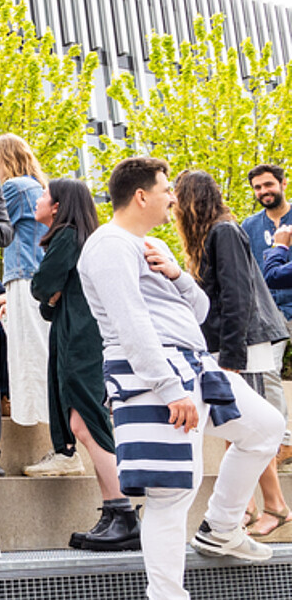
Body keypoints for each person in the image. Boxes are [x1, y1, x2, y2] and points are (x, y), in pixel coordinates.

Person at [79, 157, 281, 599]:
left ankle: (222, 528)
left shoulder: (152, 246)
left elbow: (200, 313)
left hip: (194, 366)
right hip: (152, 375)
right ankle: (166, 595)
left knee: (266, 428)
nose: (173, 196)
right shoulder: (109, 244)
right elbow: (130, 324)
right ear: (141, 195)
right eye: (166, 189)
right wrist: (169, 388)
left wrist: (177, 276)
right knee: (170, 493)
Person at [173, 169, 290, 540]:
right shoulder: (215, 233)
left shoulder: (224, 231)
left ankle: (273, 506)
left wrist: (231, 359)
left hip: (244, 343)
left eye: (177, 196)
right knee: (234, 426)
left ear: (192, 198)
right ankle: (249, 508)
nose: (173, 205)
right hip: (231, 343)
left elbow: (239, 296)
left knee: (247, 427)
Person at [30, 178, 140, 550]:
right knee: (81, 423)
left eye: (45, 195)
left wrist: (48, 293)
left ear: (59, 205)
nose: (39, 200)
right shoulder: (83, 238)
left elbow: (42, 287)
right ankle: (114, 509)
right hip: (76, 336)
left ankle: (122, 512)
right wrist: (51, 297)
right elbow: (50, 303)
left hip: (80, 342)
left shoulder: (68, 237)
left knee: (90, 422)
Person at [0, 134, 52, 440]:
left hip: (23, 275)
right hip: (34, 273)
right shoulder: (36, 186)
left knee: (29, 351)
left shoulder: (14, 187)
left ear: (2, 158)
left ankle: (44, 423)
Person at [241, 163, 292, 468]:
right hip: (267, 314)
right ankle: (284, 441)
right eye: (258, 187)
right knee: (268, 372)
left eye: (268, 185)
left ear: (284, 183)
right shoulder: (249, 225)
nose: (263, 192)